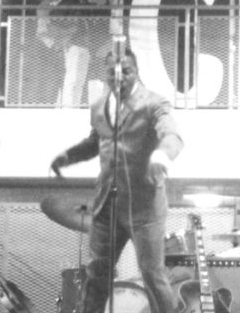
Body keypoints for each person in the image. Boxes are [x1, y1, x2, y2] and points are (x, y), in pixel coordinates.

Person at [50, 47, 183, 313]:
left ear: (137, 73)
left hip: (144, 206)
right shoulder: (99, 106)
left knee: (152, 274)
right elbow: (96, 141)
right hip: (107, 205)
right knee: (96, 272)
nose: (119, 77)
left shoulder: (153, 103)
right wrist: (68, 156)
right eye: (113, 72)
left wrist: (162, 157)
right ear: (106, 74)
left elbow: (171, 134)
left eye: (127, 72)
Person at [53, 0, 95, 106]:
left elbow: (92, 23)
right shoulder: (68, 2)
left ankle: (74, 106)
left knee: (80, 80)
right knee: (72, 77)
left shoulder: (87, 5)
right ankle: (67, 108)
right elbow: (54, 19)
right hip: (72, 43)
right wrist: (67, 32)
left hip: (85, 44)